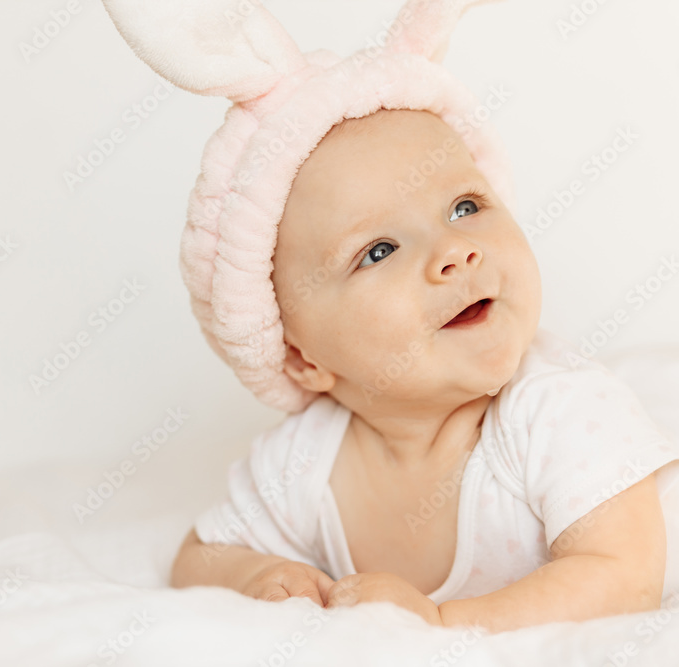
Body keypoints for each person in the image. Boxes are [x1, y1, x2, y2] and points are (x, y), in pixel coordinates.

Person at [99, 0, 679, 632]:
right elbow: (198, 556)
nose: (454, 252)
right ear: (302, 358)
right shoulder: (305, 464)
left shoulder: (560, 408)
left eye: (463, 206)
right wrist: (256, 576)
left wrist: (439, 620)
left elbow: (624, 577)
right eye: (379, 251)